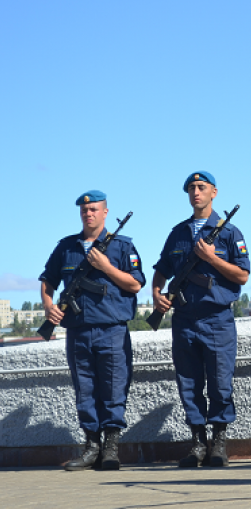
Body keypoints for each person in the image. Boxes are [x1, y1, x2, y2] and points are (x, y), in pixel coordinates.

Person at [40, 190, 145, 471]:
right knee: (84, 390)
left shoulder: (122, 246)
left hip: (111, 329)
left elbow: (135, 284)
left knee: (113, 389)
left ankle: (111, 448)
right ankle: (91, 446)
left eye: (94, 209)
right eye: (85, 210)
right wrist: (48, 305)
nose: (89, 213)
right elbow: (48, 280)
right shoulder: (67, 247)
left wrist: (106, 266)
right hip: (77, 331)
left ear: (105, 212)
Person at [152, 171, 250, 468]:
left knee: (220, 383)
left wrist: (211, 259)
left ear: (213, 193)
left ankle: (218, 441)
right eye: (192, 188)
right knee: (189, 383)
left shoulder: (229, 233)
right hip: (184, 320)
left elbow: (243, 275)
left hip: (217, 319)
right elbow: (162, 268)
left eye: (201, 187)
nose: (196, 192)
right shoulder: (178, 233)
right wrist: (157, 293)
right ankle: (197, 441)